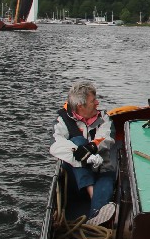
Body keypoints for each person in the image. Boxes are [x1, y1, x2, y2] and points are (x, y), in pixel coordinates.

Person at [50, 81, 117, 226]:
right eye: (93, 101)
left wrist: (91, 148)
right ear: (81, 106)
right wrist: (80, 153)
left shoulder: (103, 118)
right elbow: (56, 145)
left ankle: (95, 217)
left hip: (99, 169)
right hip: (74, 179)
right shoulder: (62, 120)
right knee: (78, 141)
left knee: (107, 178)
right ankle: (92, 192)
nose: (97, 103)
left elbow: (106, 137)